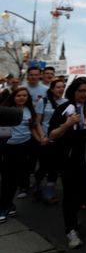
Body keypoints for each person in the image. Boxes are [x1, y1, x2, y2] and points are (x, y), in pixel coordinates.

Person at [47, 77, 86, 248]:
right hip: (70, 161)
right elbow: (52, 135)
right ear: (73, 91)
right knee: (70, 197)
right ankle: (70, 229)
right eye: (81, 91)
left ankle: (77, 220)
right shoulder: (64, 108)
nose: (84, 94)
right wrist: (67, 124)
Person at [0, 87, 43, 222]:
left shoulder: (29, 110)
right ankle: (3, 206)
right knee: (8, 179)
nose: (22, 98)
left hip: (26, 147)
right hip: (9, 148)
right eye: (19, 95)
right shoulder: (5, 110)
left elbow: (34, 126)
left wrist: (42, 139)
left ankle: (9, 204)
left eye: (25, 95)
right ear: (13, 96)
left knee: (17, 178)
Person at [34, 78, 67, 203]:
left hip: (59, 140)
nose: (61, 89)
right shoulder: (43, 101)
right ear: (52, 89)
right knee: (44, 166)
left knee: (54, 167)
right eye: (58, 87)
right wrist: (42, 137)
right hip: (45, 140)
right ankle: (37, 183)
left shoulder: (67, 102)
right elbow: (37, 122)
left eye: (63, 87)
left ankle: (50, 193)